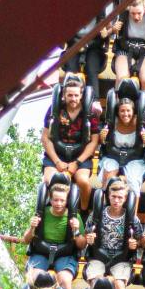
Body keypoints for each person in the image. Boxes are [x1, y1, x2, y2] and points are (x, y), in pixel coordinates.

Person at [23, 180, 82, 289]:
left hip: (64, 253)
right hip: (41, 252)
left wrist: (77, 230)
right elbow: (26, 240)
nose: (59, 204)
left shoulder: (75, 217)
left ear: (67, 200)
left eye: (62, 200)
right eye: (55, 200)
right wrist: (32, 228)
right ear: (50, 198)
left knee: (65, 280)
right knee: (32, 278)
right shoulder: (41, 214)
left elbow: (81, 245)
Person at [41, 74, 99, 205]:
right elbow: (45, 138)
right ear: (64, 95)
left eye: (76, 95)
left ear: (81, 95)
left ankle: (83, 209)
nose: (73, 98)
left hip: (80, 156)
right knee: (49, 180)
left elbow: (94, 141)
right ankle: (50, 208)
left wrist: (77, 163)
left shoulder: (91, 112)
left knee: (83, 181)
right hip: (57, 154)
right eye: (70, 95)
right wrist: (57, 162)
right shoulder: (54, 110)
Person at [82, 177, 142, 289]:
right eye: (113, 197)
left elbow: (140, 241)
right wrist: (88, 238)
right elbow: (86, 235)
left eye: (120, 197)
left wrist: (135, 244)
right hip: (98, 256)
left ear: (125, 199)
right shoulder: (96, 215)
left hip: (121, 258)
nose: (116, 200)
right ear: (108, 196)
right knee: (96, 283)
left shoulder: (132, 219)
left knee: (119, 285)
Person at [98, 95, 145, 193]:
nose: (125, 114)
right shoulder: (112, 123)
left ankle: (133, 206)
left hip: (134, 158)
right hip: (113, 156)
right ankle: (106, 202)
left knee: (132, 181)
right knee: (109, 177)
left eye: (128, 111)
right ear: (118, 112)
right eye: (122, 111)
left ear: (133, 111)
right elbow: (102, 143)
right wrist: (102, 138)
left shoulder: (140, 123)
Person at [112, 0, 145, 98]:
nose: (136, 17)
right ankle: (118, 105)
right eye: (133, 13)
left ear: (144, 8)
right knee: (122, 77)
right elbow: (112, 32)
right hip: (126, 49)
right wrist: (114, 29)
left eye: (139, 13)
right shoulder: (122, 16)